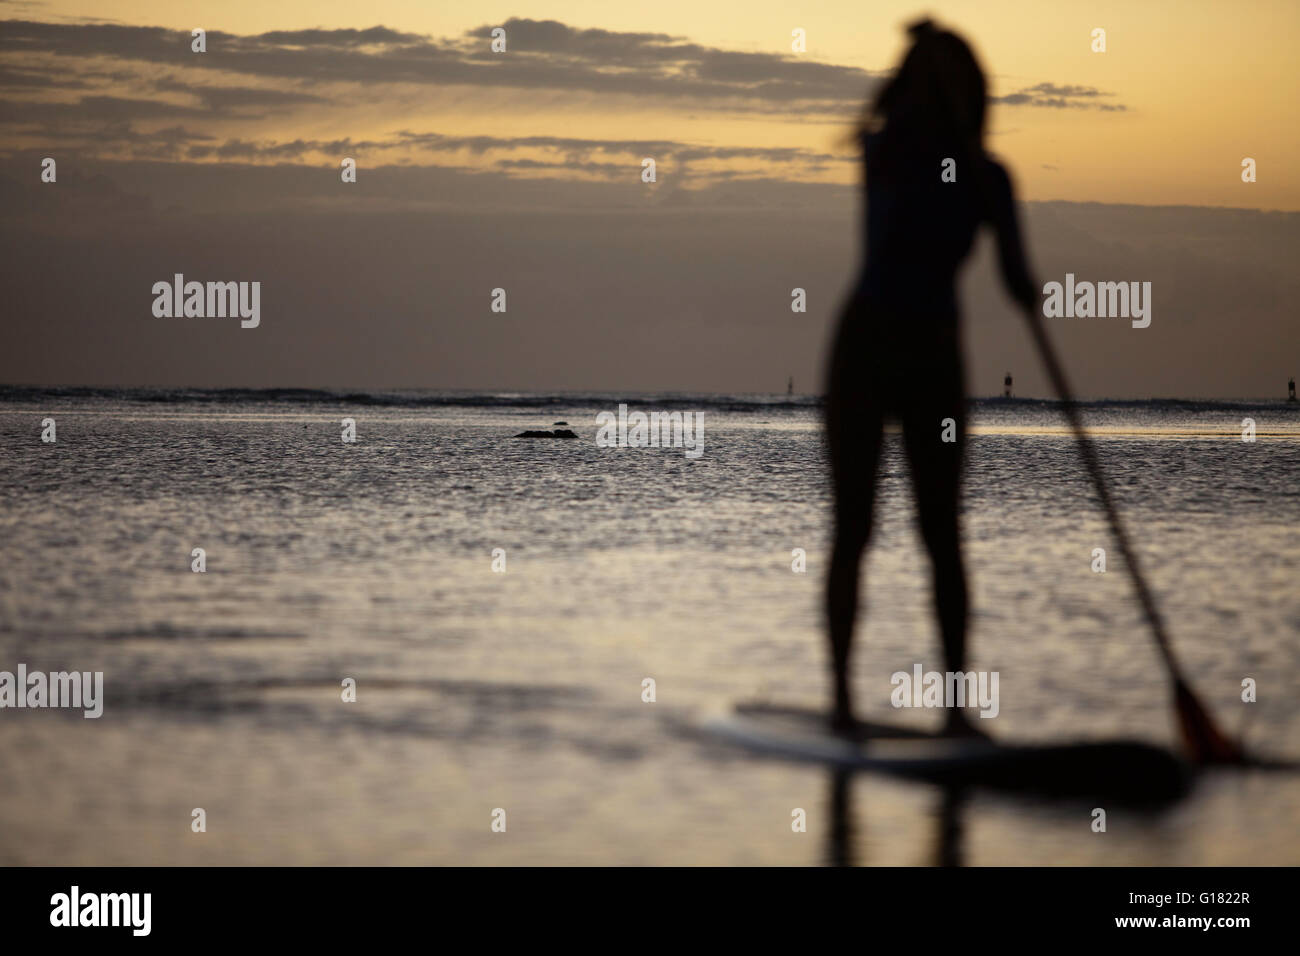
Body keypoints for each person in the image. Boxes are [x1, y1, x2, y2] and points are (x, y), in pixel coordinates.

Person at [824, 19, 1037, 735]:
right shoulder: (885, 153)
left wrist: (1026, 277)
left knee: (942, 532)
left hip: (937, 356)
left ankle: (954, 709)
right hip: (866, 347)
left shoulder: (989, 176)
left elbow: (1013, 275)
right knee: (855, 526)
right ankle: (843, 704)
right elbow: (893, 228)